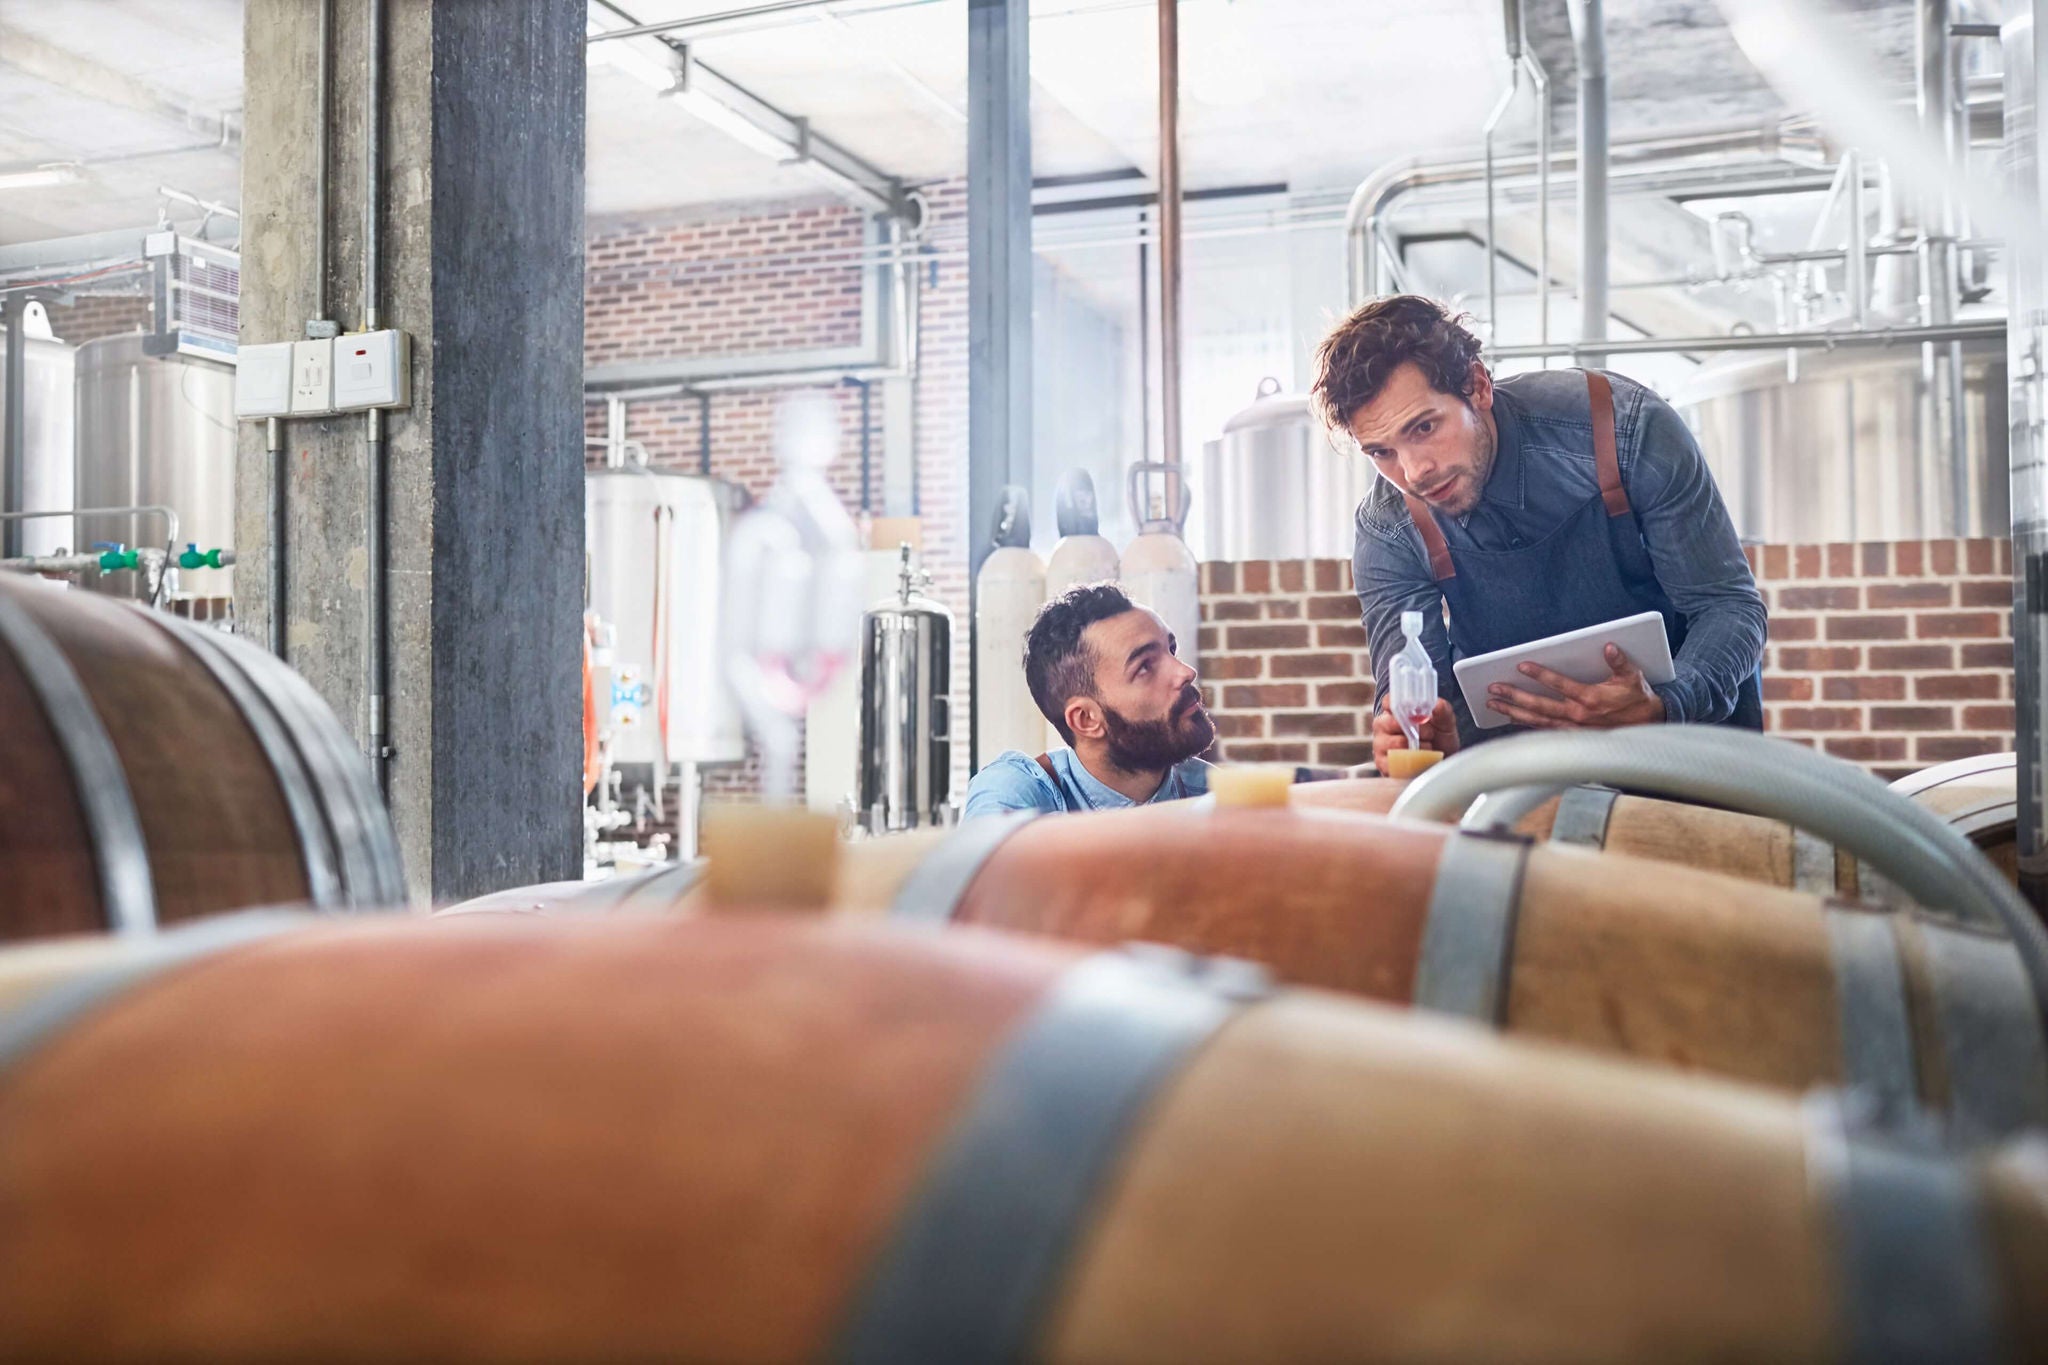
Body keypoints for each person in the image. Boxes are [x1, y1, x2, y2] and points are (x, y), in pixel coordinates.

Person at [1309, 295, 1766, 776]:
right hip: (1523, 788)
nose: (1413, 471)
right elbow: (1411, 691)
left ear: (1478, 385)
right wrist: (1413, 734)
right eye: (1381, 452)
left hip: (1696, 766)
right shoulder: (1388, 526)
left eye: (1424, 427)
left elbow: (1729, 607)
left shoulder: (1625, 429)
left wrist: (1665, 703)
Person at [963, 583, 1214, 818]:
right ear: (1086, 719)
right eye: (1145, 667)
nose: (1186, 672)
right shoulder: (1015, 793)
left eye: (1171, 650)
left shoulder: (1212, 792)